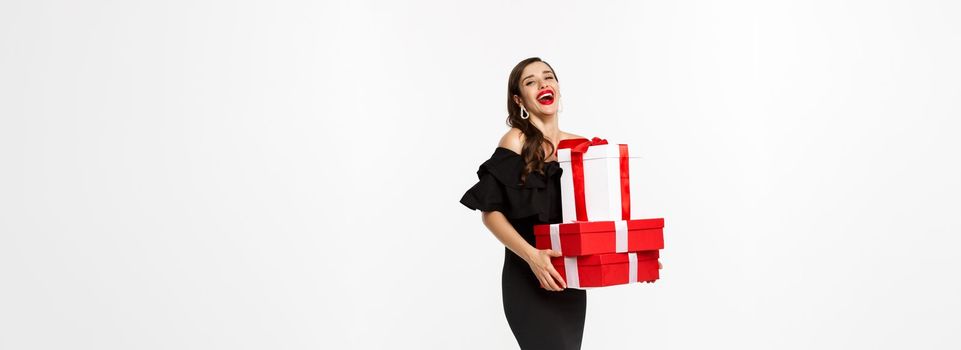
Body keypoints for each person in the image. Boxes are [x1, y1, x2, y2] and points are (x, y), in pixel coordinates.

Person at [460, 57, 588, 349]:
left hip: (568, 281)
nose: (543, 83)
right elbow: (490, 213)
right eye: (531, 81)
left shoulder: (581, 146)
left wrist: (631, 259)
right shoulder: (516, 140)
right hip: (527, 277)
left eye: (549, 77)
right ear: (519, 99)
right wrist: (533, 257)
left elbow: (596, 216)